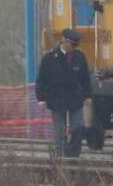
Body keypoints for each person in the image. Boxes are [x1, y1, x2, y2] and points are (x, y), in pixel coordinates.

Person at [35, 28, 91, 158]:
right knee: (59, 131)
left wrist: (88, 96)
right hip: (57, 100)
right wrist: (41, 99)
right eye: (73, 44)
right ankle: (59, 156)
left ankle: (74, 156)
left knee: (77, 128)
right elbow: (41, 80)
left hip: (75, 100)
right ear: (64, 41)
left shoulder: (80, 57)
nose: (74, 47)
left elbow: (85, 78)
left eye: (76, 45)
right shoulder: (49, 59)